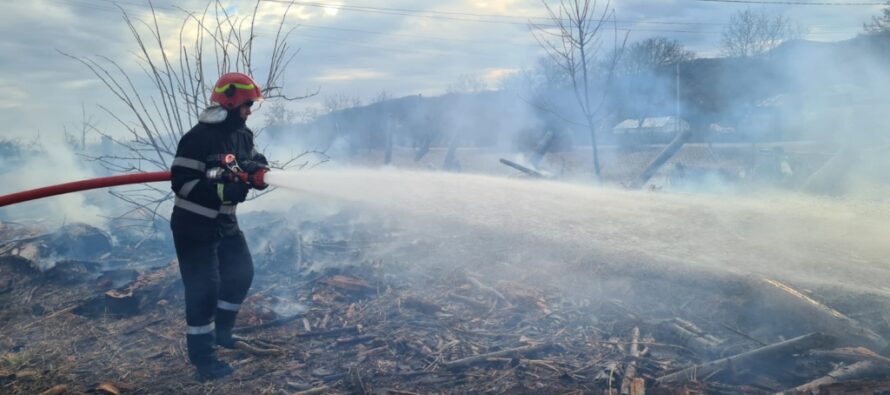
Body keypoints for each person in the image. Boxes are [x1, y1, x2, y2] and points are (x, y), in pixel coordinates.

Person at [169, 72, 269, 380]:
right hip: (193, 225)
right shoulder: (198, 138)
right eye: (247, 105)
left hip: (225, 222)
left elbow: (252, 159)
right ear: (230, 102)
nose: (249, 111)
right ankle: (204, 360)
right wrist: (224, 190)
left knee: (241, 273)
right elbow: (181, 182)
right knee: (204, 291)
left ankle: (223, 333)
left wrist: (257, 170)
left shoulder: (243, 135)